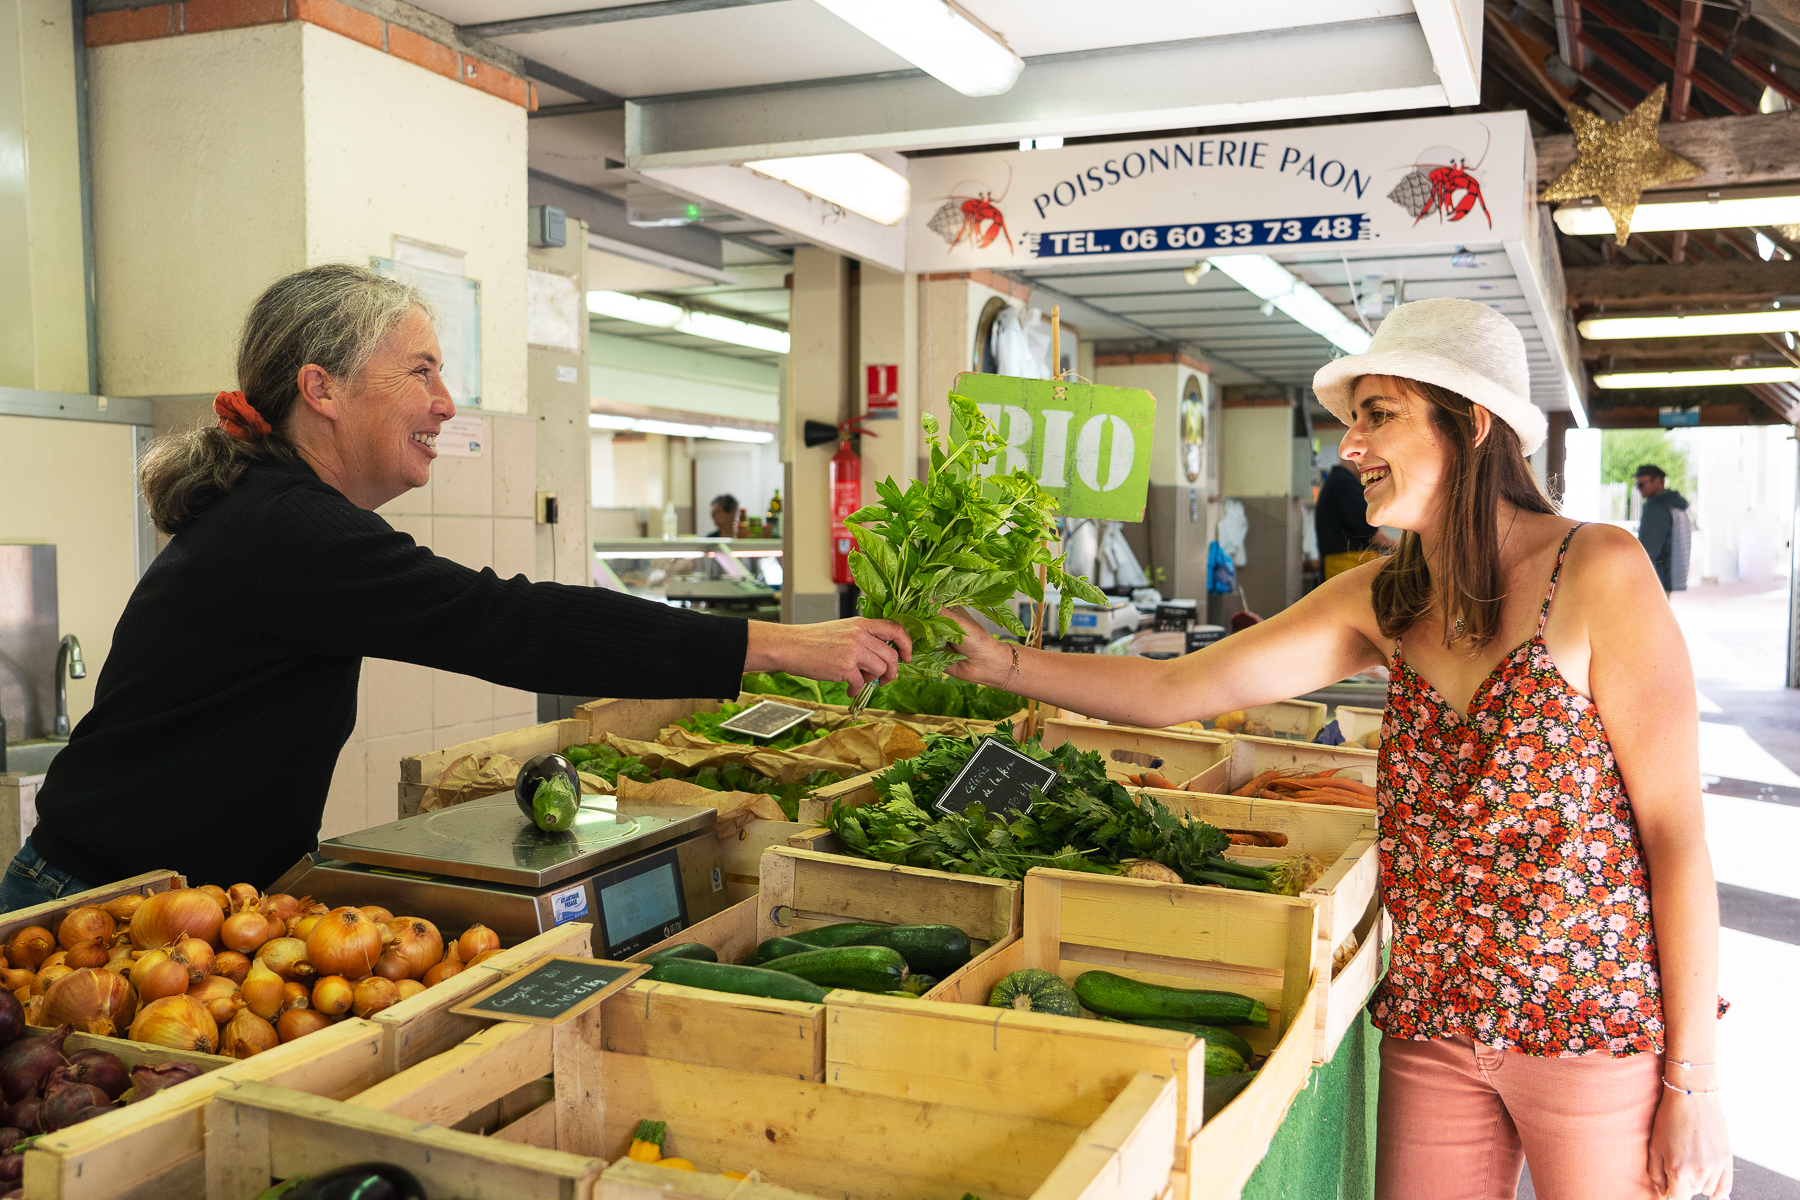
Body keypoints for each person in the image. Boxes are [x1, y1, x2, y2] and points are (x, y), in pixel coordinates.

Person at [945, 298, 1730, 1200]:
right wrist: (1000, 662)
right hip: (1435, 1023)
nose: (1349, 446)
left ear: (1471, 423)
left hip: (1594, 1028)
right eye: (1351, 420)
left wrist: (1693, 1082)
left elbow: (1676, 836)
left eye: (1378, 414)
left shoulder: (1600, 573)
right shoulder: (1385, 598)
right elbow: (1177, 689)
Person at [1, 264, 910, 906]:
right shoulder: (286, 527)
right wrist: (781, 644)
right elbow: (504, 622)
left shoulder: (279, 514)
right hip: (98, 904)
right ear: (322, 387)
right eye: (422, 371)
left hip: (170, 896)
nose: (446, 403)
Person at [1316, 458, 1397, 578]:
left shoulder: (1335, 480)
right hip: (1348, 567)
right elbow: (1371, 535)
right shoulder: (1345, 483)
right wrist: (1400, 546)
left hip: (1341, 567)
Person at [1634, 464, 1691, 595]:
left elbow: (1648, 549)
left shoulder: (1657, 507)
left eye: (1642, 484)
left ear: (1658, 481)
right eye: (1637, 484)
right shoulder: (1674, 503)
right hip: (1669, 576)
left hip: (1655, 579)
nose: (1638, 488)